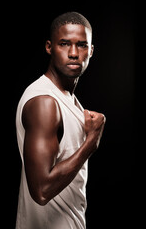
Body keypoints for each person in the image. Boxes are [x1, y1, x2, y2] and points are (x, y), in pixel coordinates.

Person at [15, 12, 106, 229]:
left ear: (91, 51)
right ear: (49, 47)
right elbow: (41, 190)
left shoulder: (68, 99)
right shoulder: (44, 102)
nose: (73, 53)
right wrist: (90, 143)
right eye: (64, 44)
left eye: (82, 45)